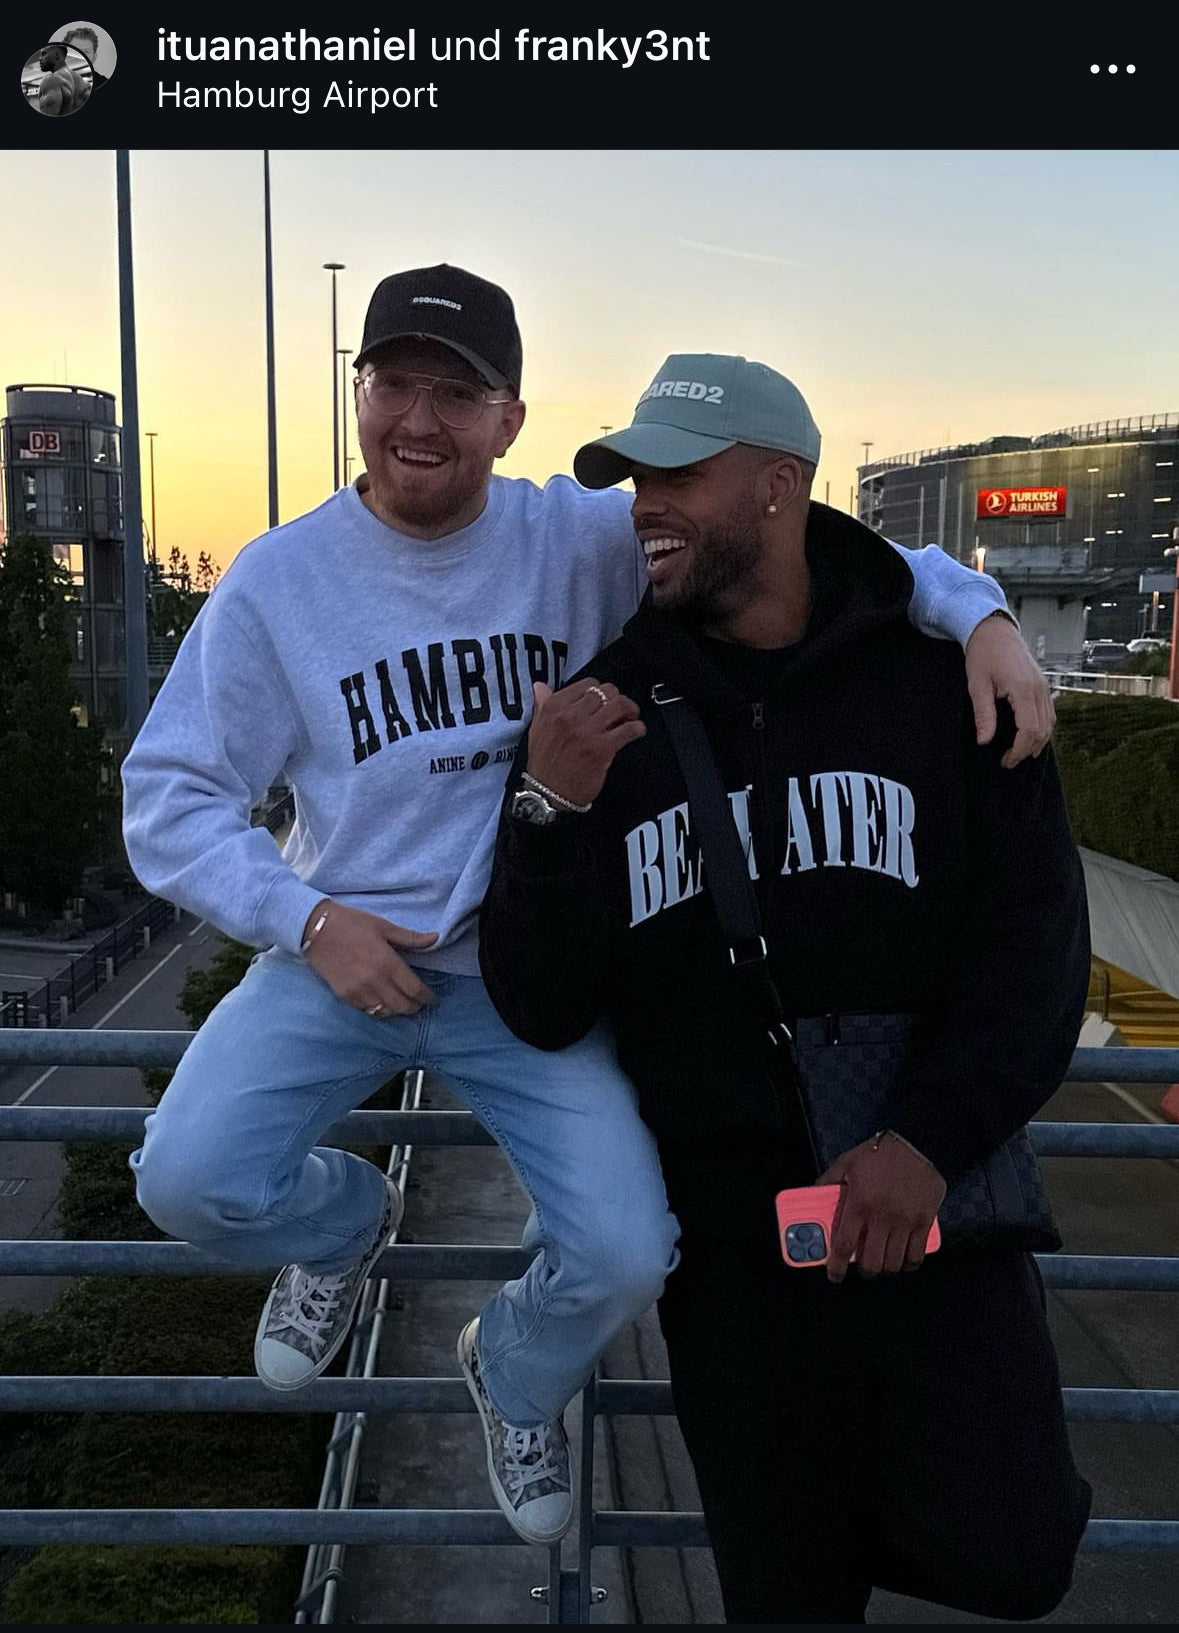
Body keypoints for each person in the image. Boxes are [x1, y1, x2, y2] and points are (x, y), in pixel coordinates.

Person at [120, 267, 1054, 1550]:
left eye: (458, 393)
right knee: (185, 1178)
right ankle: (340, 1227)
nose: (420, 419)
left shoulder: (581, 533)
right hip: (340, 960)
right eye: (395, 382)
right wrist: (303, 919)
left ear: (508, 420)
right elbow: (167, 796)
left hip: (521, 978)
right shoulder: (279, 583)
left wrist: (979, 611)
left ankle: (510, 1365)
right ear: (360, 393)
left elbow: (811, 539)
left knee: (624, 1250)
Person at [478, 352, 1092, 1619]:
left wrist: (927, 1136)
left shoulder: (948, 681)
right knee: (784, 1592)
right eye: (634, 478)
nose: (644, 504)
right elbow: (538, 1003)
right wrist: (545, 813)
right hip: (739, 1263)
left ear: (778, 485)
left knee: (1018, 1552)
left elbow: (1036, 945)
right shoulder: (602, 715)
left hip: (931, 1208)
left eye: (677, 476)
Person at [34, 43, 91, 116]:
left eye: (44, 54)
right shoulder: (85, 85)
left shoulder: (51, 80)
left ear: (56, 55)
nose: (40, 58)